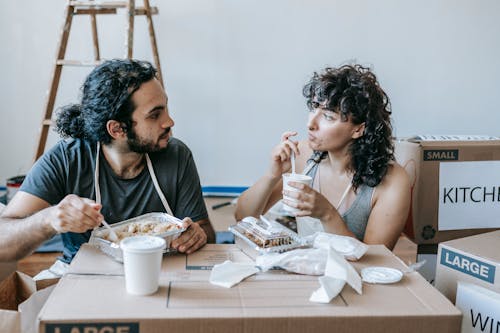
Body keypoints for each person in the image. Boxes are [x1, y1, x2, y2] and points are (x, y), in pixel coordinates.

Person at [0, 59, 215, 264]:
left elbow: (205, 230)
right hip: (81, 277)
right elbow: (3, 242)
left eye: (166, 108)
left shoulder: (176, 155)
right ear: (117, 129)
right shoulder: (67, 159)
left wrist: (197, 235)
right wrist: (49, 219)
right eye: (154, 115)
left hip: (158, 270)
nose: (169, 121)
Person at [235, 64, 410, 250]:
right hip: (306, 271)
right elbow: (243, 217)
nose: (310, 124)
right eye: (314, 108)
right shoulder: (302, 156)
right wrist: (272, 175)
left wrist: (327, 214)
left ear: (358, 129)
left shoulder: (393, 181)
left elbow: (376, 260)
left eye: (327, 116)